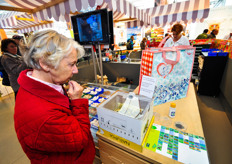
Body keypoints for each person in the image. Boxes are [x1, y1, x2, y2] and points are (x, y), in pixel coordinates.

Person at [14, 30, 95, 163]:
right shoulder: (44, 115)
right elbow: (80, 138)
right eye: (71, 64)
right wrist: (77, 101)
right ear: (45, 64)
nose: (76, 70)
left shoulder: (37, 83)